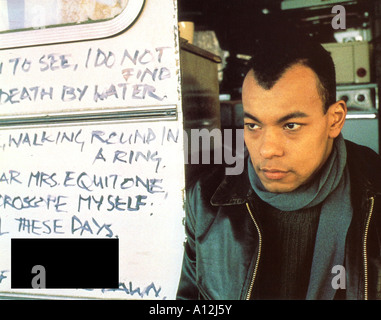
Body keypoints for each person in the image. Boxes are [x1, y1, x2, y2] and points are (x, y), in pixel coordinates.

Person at [176, 27, 381, 300]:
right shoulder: (206, 202)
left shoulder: (375, 192)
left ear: (334, 119)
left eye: (291, 125)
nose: (267, 150)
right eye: (253, 125)